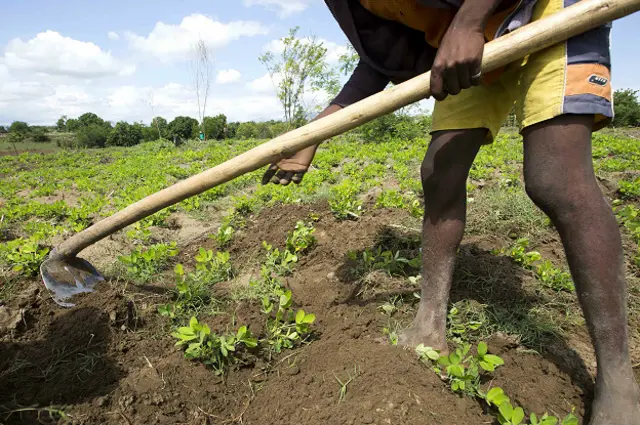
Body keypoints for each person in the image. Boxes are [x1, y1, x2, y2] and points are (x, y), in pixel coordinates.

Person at [261, 0, 640, 423]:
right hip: (472, 41)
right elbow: (380, 62)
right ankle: (429, 322)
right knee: (439, 173)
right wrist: (315, 132)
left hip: (546, 9)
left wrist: (470, 19)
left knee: (555, 178)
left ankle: (618, 376)